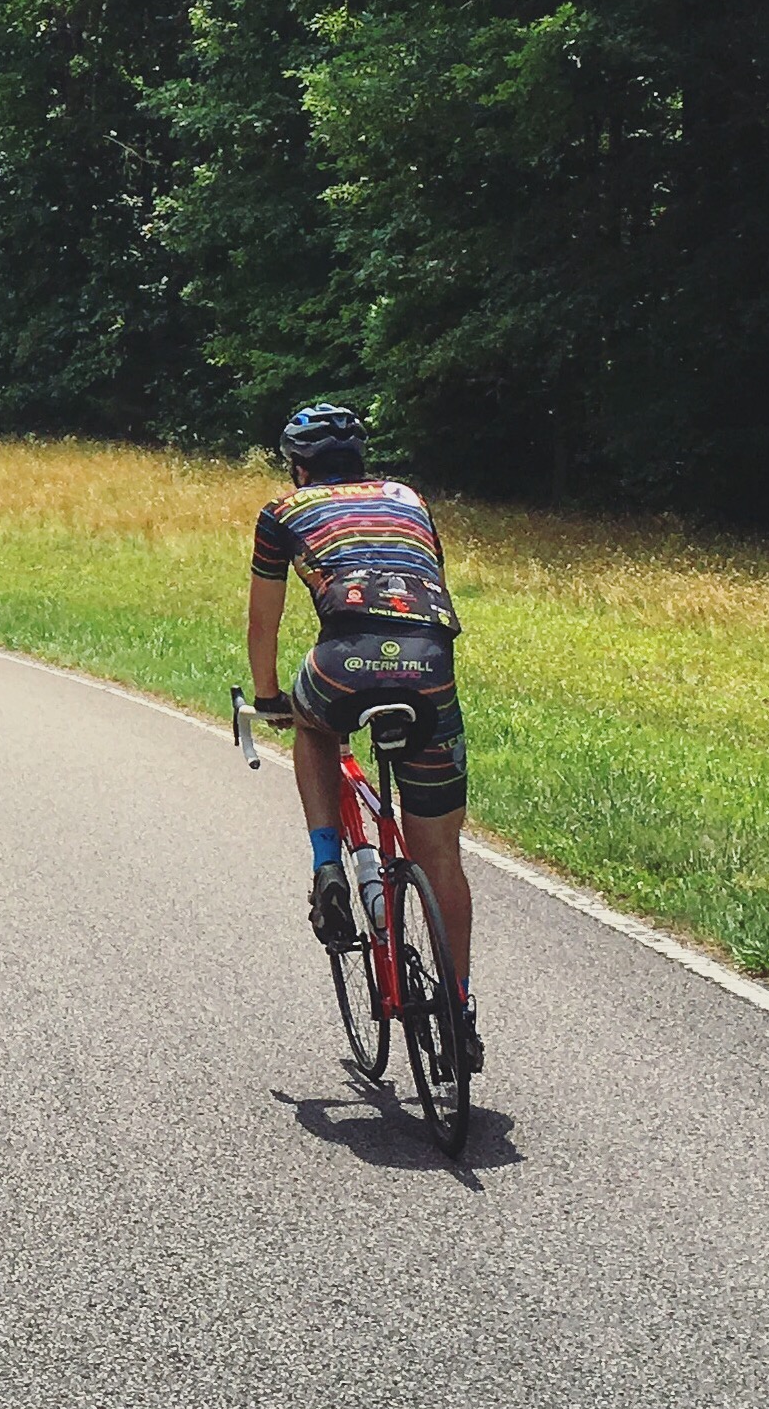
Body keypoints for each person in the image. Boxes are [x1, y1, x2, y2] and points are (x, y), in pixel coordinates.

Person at [244, 400, 482, 1073]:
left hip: (341, 663)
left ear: (296, 464)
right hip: (429, 667)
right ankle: (458, 1011)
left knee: (309, 722)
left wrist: (268, 697)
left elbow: (264, 620)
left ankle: (326, 862)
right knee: (441, 854)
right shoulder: (409, 497)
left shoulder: (282, 510)